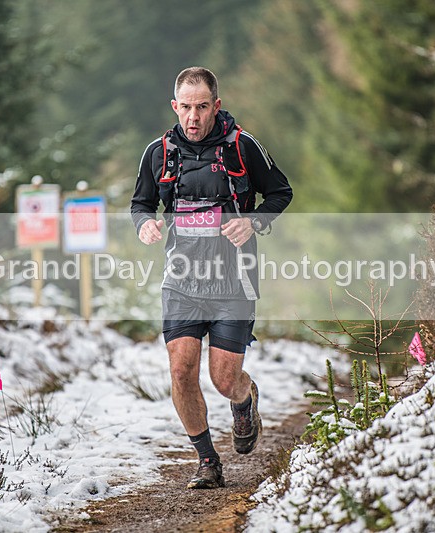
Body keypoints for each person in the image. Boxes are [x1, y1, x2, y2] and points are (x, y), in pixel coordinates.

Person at [131, 67, 293, 489]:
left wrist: (253, 222)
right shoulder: (159, 152)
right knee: (182, 372)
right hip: (182, 280)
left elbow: (281, 192)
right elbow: (140, 204)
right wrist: (144, 225)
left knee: (224, 379)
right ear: (174, 107)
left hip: (233, 281)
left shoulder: (243, 145)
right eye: (185, 107)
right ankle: (207, 460)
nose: (193, 117)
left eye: (202, 107)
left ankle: (244, 399)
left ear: (216, 106)